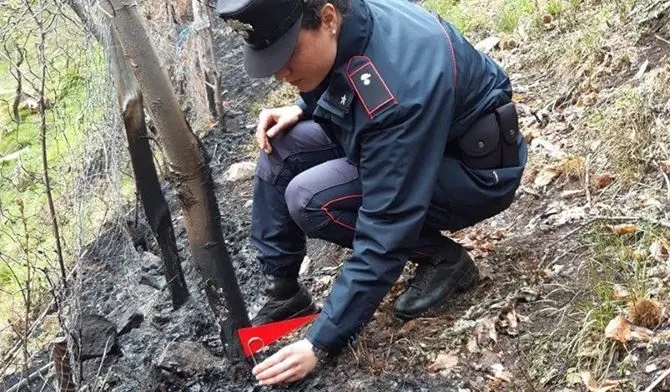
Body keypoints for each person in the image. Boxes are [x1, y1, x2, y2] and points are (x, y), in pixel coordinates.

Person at [216, 0, 527, 385]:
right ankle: (286, 292)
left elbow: (386, 226)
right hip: (419, 138)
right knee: (281, 148)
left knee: (311, 200)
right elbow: (351, 69)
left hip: (473, 170)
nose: (281, 72)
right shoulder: (348, 20)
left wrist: (319, 341)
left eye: (289, 53)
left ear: (327, 18)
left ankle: (444, 261)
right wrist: (302, 106)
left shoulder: (398, 91)